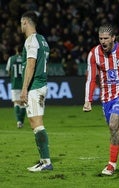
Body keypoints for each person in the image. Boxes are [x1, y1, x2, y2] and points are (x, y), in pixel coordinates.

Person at [83, 24, 119, 176]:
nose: (103, 41)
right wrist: (88, 100)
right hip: (106, 97)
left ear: (113, 38)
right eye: (100, 38)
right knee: (115, 130)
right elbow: (90, 78)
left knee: (114, 123)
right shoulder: (94, 53)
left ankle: (111, 165)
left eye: (106, 38)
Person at [20, 11, 53, 172]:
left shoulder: (31, 40)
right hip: (41, 85)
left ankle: (46, 162)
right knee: (35, 123)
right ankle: (43, 161)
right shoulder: (43, 40)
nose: (21, 26)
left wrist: (24, 88)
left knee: (36, 123)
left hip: (35, 86)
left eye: (21, 23)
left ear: (25, 22)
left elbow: (31, 65)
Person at [6, 45, 26, 128]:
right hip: (24, 84)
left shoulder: (11, 59)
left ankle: (18, 121)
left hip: (15, 84)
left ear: (16, 50)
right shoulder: (26, 59)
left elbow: (8, 71)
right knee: (23, 103)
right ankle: (21, 121)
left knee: (16, 103)